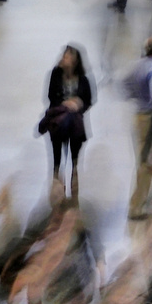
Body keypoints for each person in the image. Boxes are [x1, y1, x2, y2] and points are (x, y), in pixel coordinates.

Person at [42, 44, 94, 199]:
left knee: (75, 157)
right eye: (64, 56)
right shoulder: (55, 74)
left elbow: (89, 99)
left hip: (75, 124)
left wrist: (78, 104)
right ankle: (58, 188)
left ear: (76, 61)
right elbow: (50, 96)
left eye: (68, 56)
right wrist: (65, 104)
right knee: (57, 156)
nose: (64, 58)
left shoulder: (83, 78)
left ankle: (74, 187)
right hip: (58, 122)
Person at [124, 36, 152, 220]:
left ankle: (144, 199)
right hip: (151, 119)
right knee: (146, 164)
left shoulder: (137, 66)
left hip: (138, 117)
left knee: (144, 159)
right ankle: (136, 207)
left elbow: (124, 85)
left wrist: (137, 97)